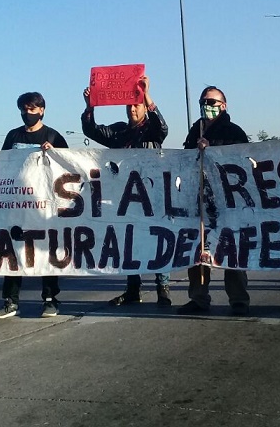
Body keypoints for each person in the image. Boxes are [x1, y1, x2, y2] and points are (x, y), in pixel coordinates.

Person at [0, 92, 69, 319]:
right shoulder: (13, 136)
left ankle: (50, 300)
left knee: (46, 253)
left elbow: (71, 167)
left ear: (42, 110)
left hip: (43, 209)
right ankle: (11, 301)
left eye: (31, 109)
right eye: (23, 109)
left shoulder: (53, 136)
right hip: (15, 208)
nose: (26, 114)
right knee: (11, 253)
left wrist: (56, 154)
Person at [81, 76, 172, 306]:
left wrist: (147, 94)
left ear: (144, 108)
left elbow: (163, 127)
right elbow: (91, 130)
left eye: (137, 105)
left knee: (156, 238)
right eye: (130, 105)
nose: (132, 109)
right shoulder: (119, 132)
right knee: (131, 241)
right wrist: (90, 106)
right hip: (126, 197)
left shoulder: (152, 131)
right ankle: (133, 289)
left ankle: (163, 287)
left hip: (153, 195)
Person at [176, 86, 251, 316]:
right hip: (199, 198)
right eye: (203, 101)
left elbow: (240, 160)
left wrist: (212, 149)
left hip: (227, 202)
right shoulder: (194, 130)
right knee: (197, 248)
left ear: (223, 105)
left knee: (231, 248)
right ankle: (199, 298)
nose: (206, 106)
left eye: (211, 102)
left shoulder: (233, 131)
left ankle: (238, 300)